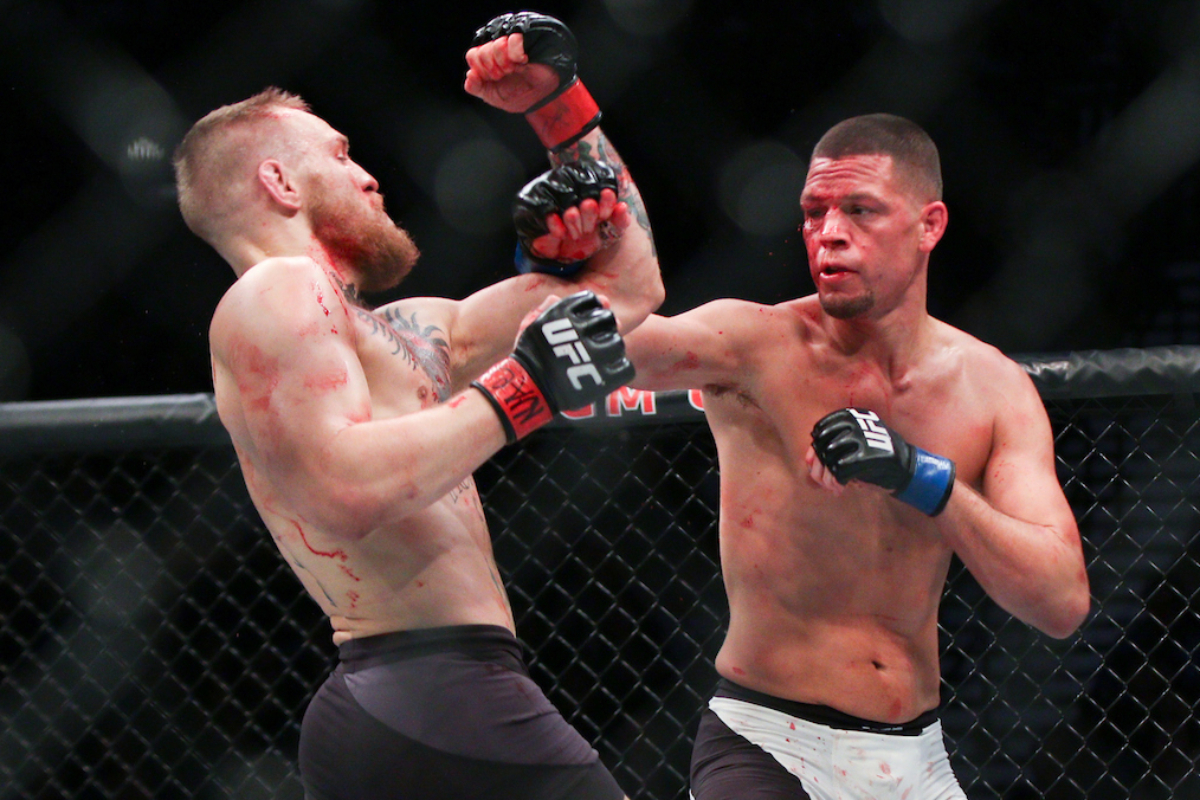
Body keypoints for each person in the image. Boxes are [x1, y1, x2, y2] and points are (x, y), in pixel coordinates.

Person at [171, 12, 661, 800]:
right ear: (280, 183)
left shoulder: (408, 330)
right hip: (433, 690)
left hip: (426, 697)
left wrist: (561, 108)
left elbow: (626, 288)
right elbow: (343, 490)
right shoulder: (277, 290)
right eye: (340, 155)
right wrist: (522, 389)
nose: (369, 176)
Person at [622, 113, 1090, 799]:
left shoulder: (992, 388)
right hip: (768, 739)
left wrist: (922, 479)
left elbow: (1061, 600)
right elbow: (602, 347)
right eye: (815, 212)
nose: (830, 233)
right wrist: (568, 244)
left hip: (917, 758)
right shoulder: (752, 344)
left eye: (861, 210)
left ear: (929, 225)